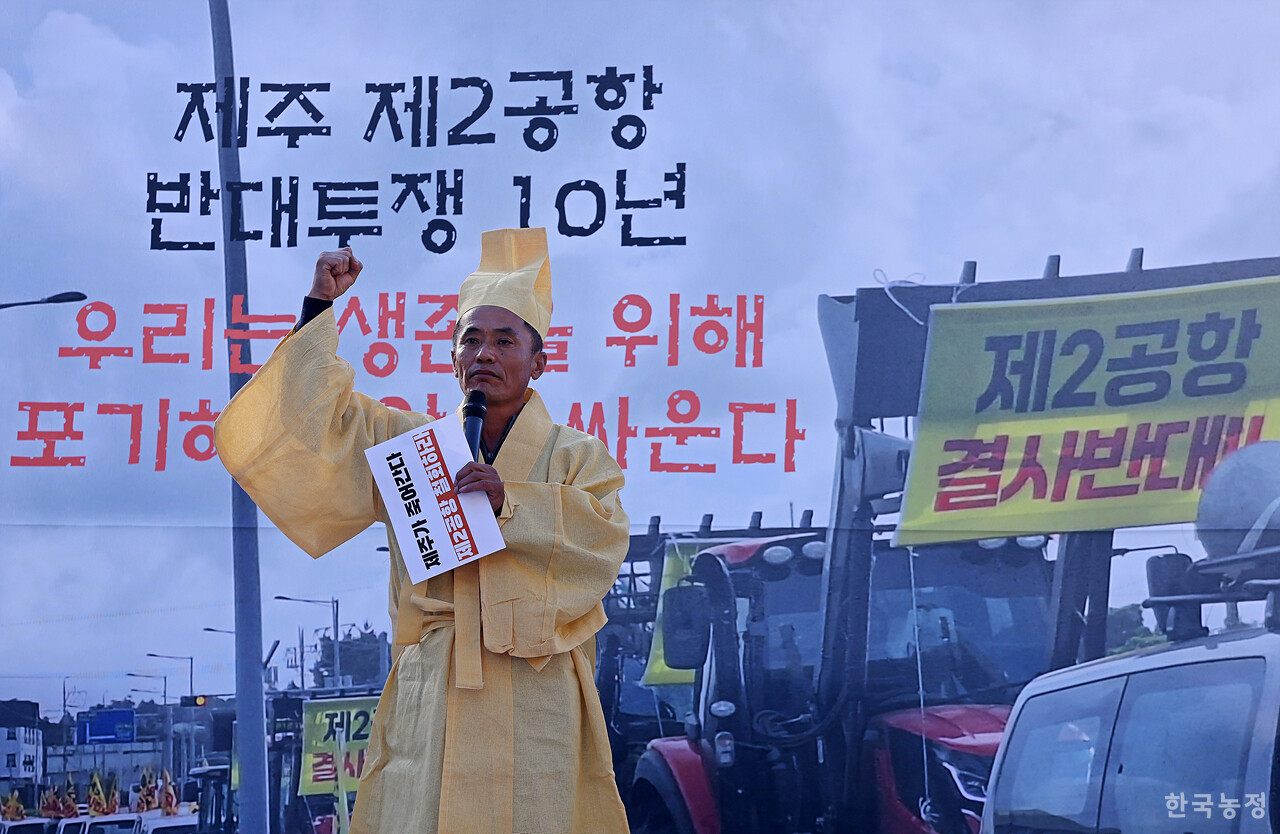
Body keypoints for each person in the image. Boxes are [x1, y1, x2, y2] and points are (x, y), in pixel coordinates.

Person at [214, 228, 632, 834]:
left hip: (536, 690)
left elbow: (601, 543)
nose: (485, 353)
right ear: (454, 358)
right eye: (472, 340)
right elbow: (317, 428)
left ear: (539, 361)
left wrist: (510, 503)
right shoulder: (415, 448)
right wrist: (319, 306)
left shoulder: (577, 457)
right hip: (434, 685)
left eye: (505, 340)